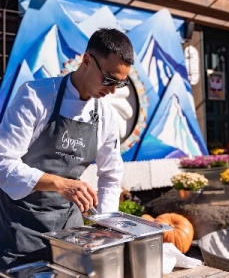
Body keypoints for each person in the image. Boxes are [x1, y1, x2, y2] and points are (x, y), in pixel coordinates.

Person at [0, 28, 134, 269]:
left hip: (70, 234)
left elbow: (111, 174)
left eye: (120, 84)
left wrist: (105, 226)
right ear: (86, 60)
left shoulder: (105, 116)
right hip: (20, 228)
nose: (112, 90)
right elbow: (3, 163)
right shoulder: (35, 97)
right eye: (109, 79)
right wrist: (60, 183)